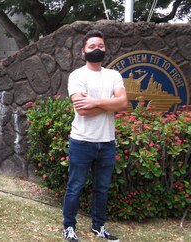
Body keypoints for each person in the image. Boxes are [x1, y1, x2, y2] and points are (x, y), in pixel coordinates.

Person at [62, 30, 127, 242]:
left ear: (105, 48)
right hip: (82, 141)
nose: (96, 49)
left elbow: (123, 103)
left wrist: (95, 102)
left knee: (102, 188)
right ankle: (69, 227)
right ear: (83, 52)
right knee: (75, 186)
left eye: (100, 45)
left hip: (107, 142)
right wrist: (110, 103)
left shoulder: (114, 75)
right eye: (92, 47)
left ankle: (99, 227)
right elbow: (82, 110)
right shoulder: (77, 76)